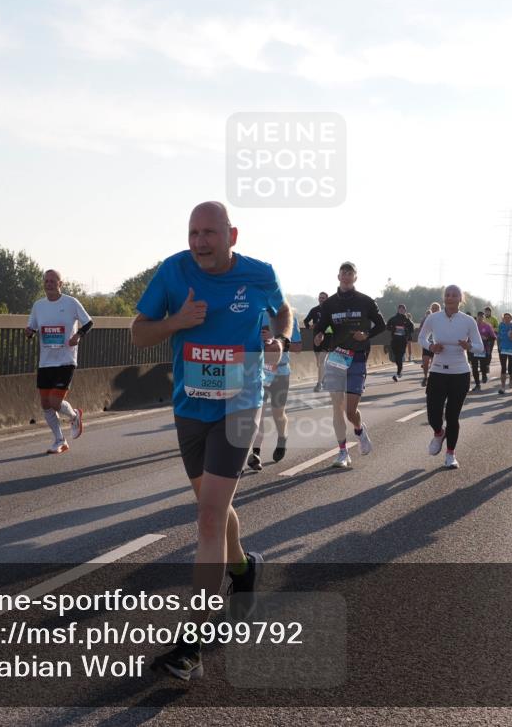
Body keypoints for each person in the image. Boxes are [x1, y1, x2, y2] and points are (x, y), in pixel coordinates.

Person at [131, 201, 290, 680]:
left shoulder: (260, 274)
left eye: (209, 233)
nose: (199, 241)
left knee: (206, 519)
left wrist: (279, 339)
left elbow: (282, 311)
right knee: (213, 507)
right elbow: (139, 335)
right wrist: (176, 322)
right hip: (190, 407)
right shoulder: (174, 272)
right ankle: (243, 566)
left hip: (242, 403)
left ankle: (192, 643)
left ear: (232, 235)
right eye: (193, 232)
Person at [312, 262, 386, 469]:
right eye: (343, 273)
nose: (346, 276)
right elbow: (320, 328)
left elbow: (381, 325)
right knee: (337, 406)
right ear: (338, 277)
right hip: (337, 357)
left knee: (350, 411)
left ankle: (360, 430)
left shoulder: (366, 301)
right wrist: (318, 337)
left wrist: (367, 334)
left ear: (355, 277)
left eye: (350, 273)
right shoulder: (330, 304)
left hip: (358, 356)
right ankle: (342, 452)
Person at [417, 285, 484, 469]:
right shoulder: (433, 318)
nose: (450, 297)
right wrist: (431, 347)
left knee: (453, 416)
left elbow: (480, 347)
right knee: (433, 415)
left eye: (455, 295)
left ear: (460, 299)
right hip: (438, 370)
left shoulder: (468, 321)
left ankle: (450, 454)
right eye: (448, 294)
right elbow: (421, 338)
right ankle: (439, 433)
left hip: (460, 372)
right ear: (444, 297)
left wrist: (468, 346)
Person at [25, 269, 92, 454]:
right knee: (45, 404)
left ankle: (73, 416)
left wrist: (78, 335)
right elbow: (32, 327)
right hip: (46, 362)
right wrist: (29, 332)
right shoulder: (38, 305)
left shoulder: (71, 303)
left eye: (53, 281)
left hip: (66, 360)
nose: (49, 284)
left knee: (55, 401)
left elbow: (88, 322)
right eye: (46, 281)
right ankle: (59, 440)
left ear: (60, 283)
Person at [248, 308, 303, 470]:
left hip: (281, 371)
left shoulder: (288, 316)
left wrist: (276, 340)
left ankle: (282, 437)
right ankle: (256, 453)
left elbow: (298, 347)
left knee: (278, 413)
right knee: (259, 412)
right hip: (260, 370)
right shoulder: (256, 311)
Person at [303, 292, 331, 392]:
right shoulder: (314, 310)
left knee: (322, 361)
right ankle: (323, 379)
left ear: (327, 299)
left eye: (323, 298)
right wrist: (309, 327)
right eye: (320, 297)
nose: (321, 299)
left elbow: (335, 325)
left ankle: (319, 384)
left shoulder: (330, 310)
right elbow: (306, 320)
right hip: (316, 339)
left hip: (327, 339)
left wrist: (327, 331)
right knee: (319, 363)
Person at [386, 303, 415, 382]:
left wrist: (406, 330)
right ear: (398, 310)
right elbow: (387, 326)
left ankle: (399, 372)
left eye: (403, 309)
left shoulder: (407, 320)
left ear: (405, 310)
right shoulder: (393, 319)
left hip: (403, 341)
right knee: (396, 357)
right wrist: (393, 328)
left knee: (399, 356)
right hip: (394, 340)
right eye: (400, 309)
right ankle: (400, 371)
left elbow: (412, 329)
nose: (402, 310)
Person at [471, 311, 496, 389]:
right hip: (473, 349)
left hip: (483, 349)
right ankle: (477, 384)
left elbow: (493, 337)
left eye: (481, 317)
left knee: (483, 366)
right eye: (478, 317)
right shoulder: (472, 326)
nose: (480, 318)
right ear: (477, 317)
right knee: (474, 367)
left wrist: (486, 338)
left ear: (484, 318)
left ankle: (484, 375)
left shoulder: (487, 326)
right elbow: (467, 335)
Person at [420, 302, 440, 386]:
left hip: (436, 344)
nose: (434, 310)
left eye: (436, 308)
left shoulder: (442, 319)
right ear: (431, 309)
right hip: (427, 344)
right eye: (433, 308)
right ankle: (425, 377)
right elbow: (421, 329)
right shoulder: (427, 319)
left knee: (433, 363)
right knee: (425, 362)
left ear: (439, 309)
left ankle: (431, 378)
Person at [497, 312, 512, 394]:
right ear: (503, 318)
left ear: (511, 318)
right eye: (505, 317)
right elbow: (498, 337)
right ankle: (503, 386)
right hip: (503, 348)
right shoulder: (501, 325)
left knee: (511, 367)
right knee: (503, 367)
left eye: (508, 317)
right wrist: (498, 347)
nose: (507, 318)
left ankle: (511, 378)